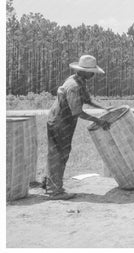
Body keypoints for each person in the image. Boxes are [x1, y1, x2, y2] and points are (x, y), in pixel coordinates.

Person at [45, 55, 112, 200]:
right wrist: (98, 121)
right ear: (83, 71)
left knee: (56, 153)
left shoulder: (79, 81)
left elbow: (88, 100)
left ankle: (50, 184)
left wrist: (104, 107)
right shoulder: (74, 86)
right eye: (91, 72)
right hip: (60, 123)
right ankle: (55, 191)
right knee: (59, 154)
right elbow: (77, 112)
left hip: (62, 121)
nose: (93, 74)